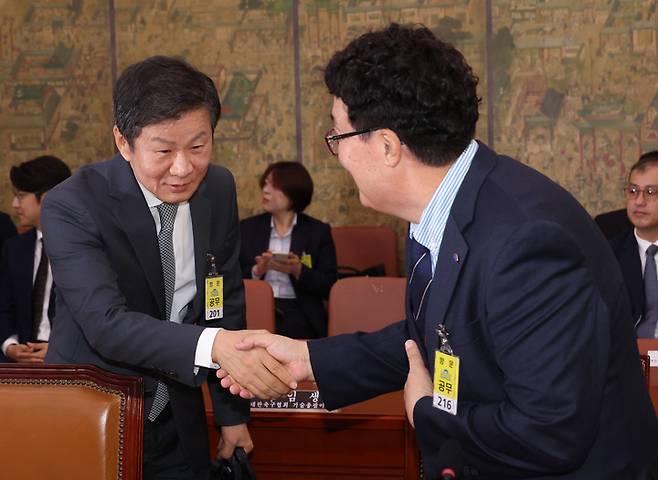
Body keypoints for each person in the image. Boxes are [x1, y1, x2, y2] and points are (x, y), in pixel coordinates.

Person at [220, 24, 658, 479]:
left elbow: (548, 431)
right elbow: (430, 335)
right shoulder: (443, 204)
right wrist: (308, 358)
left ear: (388, 145)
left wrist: (427, 412)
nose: (338, 154)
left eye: (337, 137)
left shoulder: (525, 242)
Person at [41, 56, 294, 480]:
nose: (182, 168)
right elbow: (105, 323)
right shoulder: (73, 203)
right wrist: (212, 346)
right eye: (163, 150)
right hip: (93, 409)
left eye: (198, 146)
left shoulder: (217, 187)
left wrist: (232, 414)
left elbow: (223, 301)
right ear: (123, 142)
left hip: (178, 411)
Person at [239, 161, 337, 338]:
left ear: (294, 193)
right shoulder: (247, 228)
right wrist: (257, 271)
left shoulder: (317, 232)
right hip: (255, 307)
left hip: (299, 311)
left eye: (274, 185)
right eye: (265, 183)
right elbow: (230, 277)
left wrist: (299, 271)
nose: (265, 190)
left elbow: (329, 286)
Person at [0, 156, 70, 363]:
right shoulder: (15, 248)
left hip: (70, 362)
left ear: (47, 197)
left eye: (21, 196)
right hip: (19, 362)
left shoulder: (86, 246)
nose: (14, 205)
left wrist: (59, 350)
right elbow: (3, 308)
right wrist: (9, 346)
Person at [607, 151, 658, 337]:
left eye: (650, 192)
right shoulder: (609, 254)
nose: (639, 201)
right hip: (631, 359)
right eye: (633, 191)